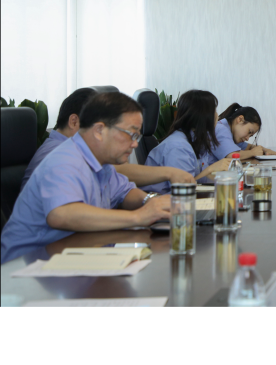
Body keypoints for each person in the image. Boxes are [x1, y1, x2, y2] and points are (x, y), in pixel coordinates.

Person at [1, 92, 174, 263]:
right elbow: (62, 214)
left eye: (137, 136)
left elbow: (124, 193)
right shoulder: (64, 160)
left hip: (73, 260)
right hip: (27, 268)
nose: (135, 143)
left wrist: (154, 203)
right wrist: (138, 217)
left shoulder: (101, 162)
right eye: (131, 134)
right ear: (99, 130)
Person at [19, 88, 194, 191]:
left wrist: (151, 202)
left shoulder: (88, 154)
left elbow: (122, 189)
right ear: (74, 122)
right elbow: (119, 171)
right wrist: (169, 173)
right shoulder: (55, 155)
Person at [142, 90, 233, 194]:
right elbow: (183, 190)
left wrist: (221, 176)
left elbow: (197, 179)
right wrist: (209, 170)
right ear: (203, 115)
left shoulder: (195, 140)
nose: (217, 115)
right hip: (163, 201)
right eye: (214, 111)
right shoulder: (178, 147)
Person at [207, 103, 276, 163]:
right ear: (240, 119)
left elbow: (248, 147)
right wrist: (253, 153)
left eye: (251, 136)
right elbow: (232, 156)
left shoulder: (231, 133)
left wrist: (266, 150)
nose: (247, 138)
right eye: (249, 132)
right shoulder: (221, 129)